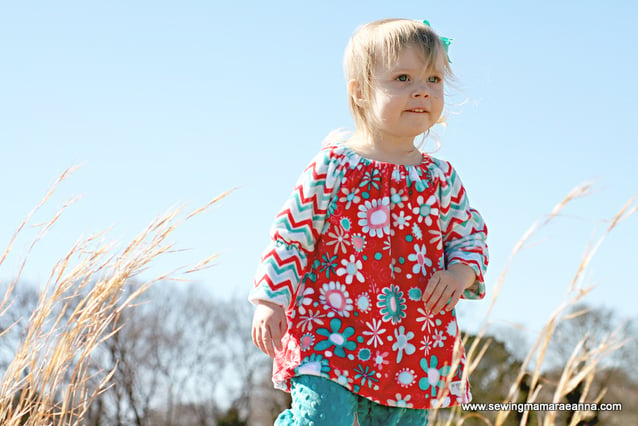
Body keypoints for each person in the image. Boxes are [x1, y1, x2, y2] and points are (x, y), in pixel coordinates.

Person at [249, 18, 488, 426]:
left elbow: (470, 236)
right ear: (360, 91)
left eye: (433, 78)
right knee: (322, 418)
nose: (422, 90)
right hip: (330, 328)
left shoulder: (440, 179)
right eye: (403, 77)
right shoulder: (333, 166)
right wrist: (271, 300)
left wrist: (460, 274)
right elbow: (292, 235)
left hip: (412, 341)